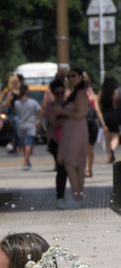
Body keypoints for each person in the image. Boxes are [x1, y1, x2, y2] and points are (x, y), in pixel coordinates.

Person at [57, 68, 89, 209]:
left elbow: (80, 114)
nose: (71, 78)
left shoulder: (81, 93)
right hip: (71, 130)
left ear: (81, 77)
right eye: (69, 76)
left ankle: (77, 197)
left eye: (73, 76)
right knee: (75, 165)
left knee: (71, 164)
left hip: (76, 131)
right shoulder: (75, 92)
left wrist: (62, 111)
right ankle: (77, 196)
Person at [42, 78, 70, 208]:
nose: (60, 96)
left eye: (62, 93)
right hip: (55, 142)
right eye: (57, 93)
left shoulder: (68, 104)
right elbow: (54, 123)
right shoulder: (50, 107)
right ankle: (60, 196)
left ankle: (67, 195)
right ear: (53, 93)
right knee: (62, 169)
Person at [13, 84, 42, 171]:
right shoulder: (33, 102)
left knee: (24, 145)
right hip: (30, 125)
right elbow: (39, 111)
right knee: (28, 144)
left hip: (20, 126)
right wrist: (38, 120)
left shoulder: (16, 103)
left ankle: (27, 161)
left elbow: (16, 113)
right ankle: (25, 163)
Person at [83, 72, 106, 178]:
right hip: (91, 124)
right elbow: (97, 110)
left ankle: (87, 169)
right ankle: (88, 169)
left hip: (84, 124)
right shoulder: (92, 95)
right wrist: (103, 125)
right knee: (89, 148)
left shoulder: (77, 94)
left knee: (86, 148)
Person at [99, 76, 118, 164]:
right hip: (113, 114)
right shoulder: (115, 92)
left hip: (104, 115)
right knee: (115, 136)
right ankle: (112, 149)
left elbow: (98, 104)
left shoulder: (101, 92)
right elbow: (115, 104)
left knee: (107, 137)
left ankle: (109, 156)